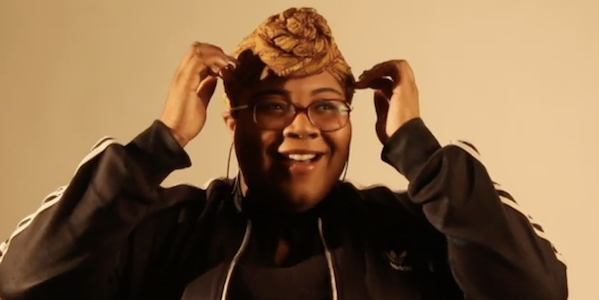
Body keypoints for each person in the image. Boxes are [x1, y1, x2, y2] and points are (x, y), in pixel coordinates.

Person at [0, 7, 567, 300]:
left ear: (352, 121)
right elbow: (25, 281)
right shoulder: (161, 229)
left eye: (326, 106)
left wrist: (421, 153)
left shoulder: (415, 230)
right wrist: (157, 144)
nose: (303, 128)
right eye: (273, 106)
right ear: (232, 123)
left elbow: (536, 290)